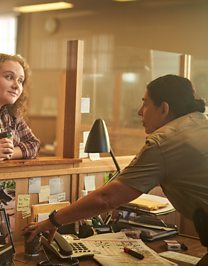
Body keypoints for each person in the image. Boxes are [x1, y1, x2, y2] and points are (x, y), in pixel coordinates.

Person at [23, 74, 208, 244]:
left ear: (164, 108)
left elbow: (106, 198)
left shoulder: (164, 143)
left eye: (145, 103)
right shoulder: (200, 123)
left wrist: (53, 220)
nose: (139, 111)